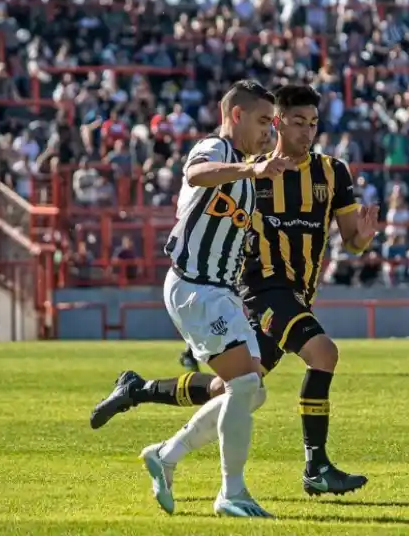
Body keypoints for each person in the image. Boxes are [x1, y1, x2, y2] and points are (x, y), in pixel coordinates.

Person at [91, 84, 380, 497]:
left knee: (234, 391)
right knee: (323, 353)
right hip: (260, 289)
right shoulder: (247, 167)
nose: (307, 132)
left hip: (296, 294)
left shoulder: (332, 172)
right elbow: (200, 182)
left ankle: (140, 394)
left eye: (313, 124)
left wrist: (362, 240)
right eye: (297, 122)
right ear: (277, 122)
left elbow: (351, 239)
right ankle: (312, 467)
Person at [143, 80, 284, 518]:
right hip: (194, 286)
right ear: (236, 115)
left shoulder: (244, 167)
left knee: (250, 391)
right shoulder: (216, 149)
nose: (268, 131)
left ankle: (166, 456)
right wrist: (253, 171)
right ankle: (231, 493)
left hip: (219, 293)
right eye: (263, 120)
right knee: (245, 385)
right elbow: (195, 174)